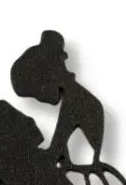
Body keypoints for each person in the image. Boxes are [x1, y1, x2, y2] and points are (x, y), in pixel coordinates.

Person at [11, 30, 105, 166]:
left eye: (38, 93)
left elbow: (59, 141)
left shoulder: (77, 100)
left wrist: (55, 151)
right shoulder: (75, 98)